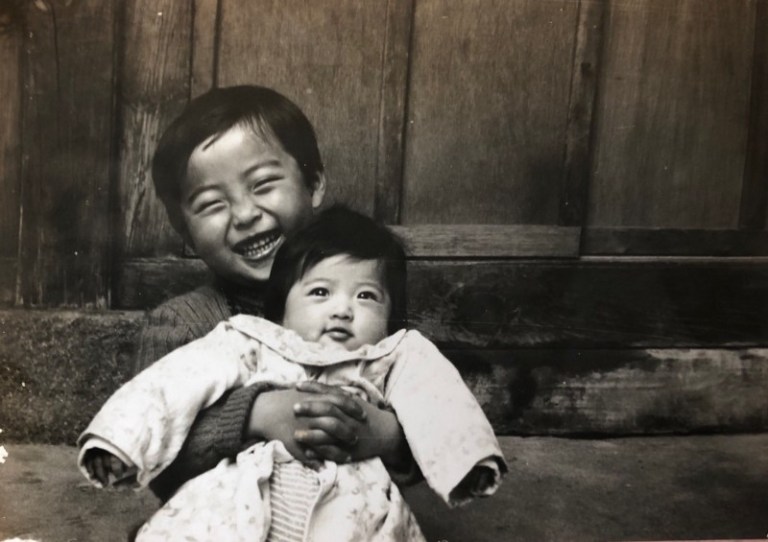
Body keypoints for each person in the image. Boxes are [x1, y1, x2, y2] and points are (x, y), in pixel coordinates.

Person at [79, 206, 507, 541]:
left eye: (366, 296)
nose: (343, 309)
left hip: (353, 502)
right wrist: (121, 441)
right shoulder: (251, 339)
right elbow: (173, 382)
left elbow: (441, 401)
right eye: (320, 292)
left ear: (391, 314)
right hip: (246, 494)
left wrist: (466, 461)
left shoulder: (396, 355)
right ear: (282, 307)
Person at [116, 85, 414, 503]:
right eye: (211, 203)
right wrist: (256, 415)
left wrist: (388, 434)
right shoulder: (181, 325)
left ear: (314, 184)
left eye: (262, 184)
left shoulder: (361, 304)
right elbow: (153, 454)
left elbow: (436, 415)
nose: (244, 214)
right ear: (183, 231)